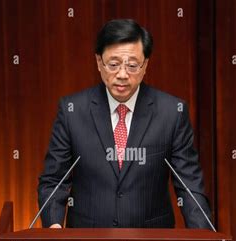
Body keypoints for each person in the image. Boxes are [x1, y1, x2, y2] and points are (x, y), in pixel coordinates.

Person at [38, 19, 213, 229]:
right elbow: (55, 180)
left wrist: (204, 238)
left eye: (131, 65)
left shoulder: (171, 113)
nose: (122, 75)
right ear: (99, 63)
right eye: (113, 65)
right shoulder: (72, 111)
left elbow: (188, 184)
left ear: (145, 65)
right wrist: (54, 226)